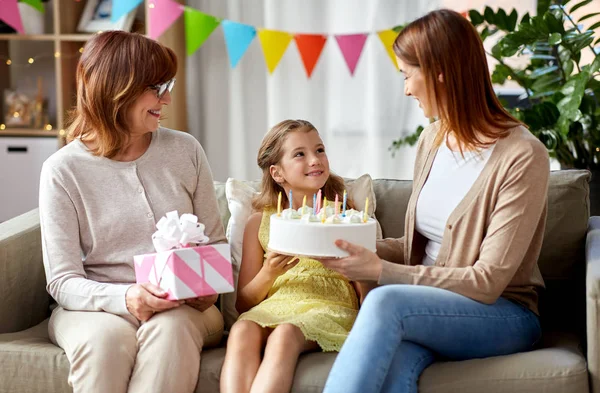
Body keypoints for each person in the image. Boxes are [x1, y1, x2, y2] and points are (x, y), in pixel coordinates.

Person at [321, 9, 549, 393]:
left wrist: (380, 272)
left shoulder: (522, 155)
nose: (406, 89)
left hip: (503, 314)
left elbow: (487, 281)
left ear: (441, 71)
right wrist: (346, 251)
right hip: (425, 307)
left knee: (385, 302)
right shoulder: (432, 139)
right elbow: (420, 251)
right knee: (395, 369)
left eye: (408, 75)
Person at [39, 31, 225, 393]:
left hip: (182, 309)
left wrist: (208, 288)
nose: (167, 98)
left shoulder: (185, 150)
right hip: (94, 307)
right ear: (117, 89)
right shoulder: (62, 170)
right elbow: (62, 281)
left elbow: (215, 246)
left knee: (170, 329)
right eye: (157, 88)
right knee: (104, 342)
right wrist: (125, 298)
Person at [220, 119, 367, 393]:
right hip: (276, 304)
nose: (315, 159)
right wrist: (269, 272)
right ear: (277, 173)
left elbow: (367, 295)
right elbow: (243, 303)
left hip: (327, 305)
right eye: (300, 154)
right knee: (242, 330)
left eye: (320, 150)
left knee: (285, 334)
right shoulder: (260, 223)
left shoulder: (346, 216)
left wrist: (354, 269)